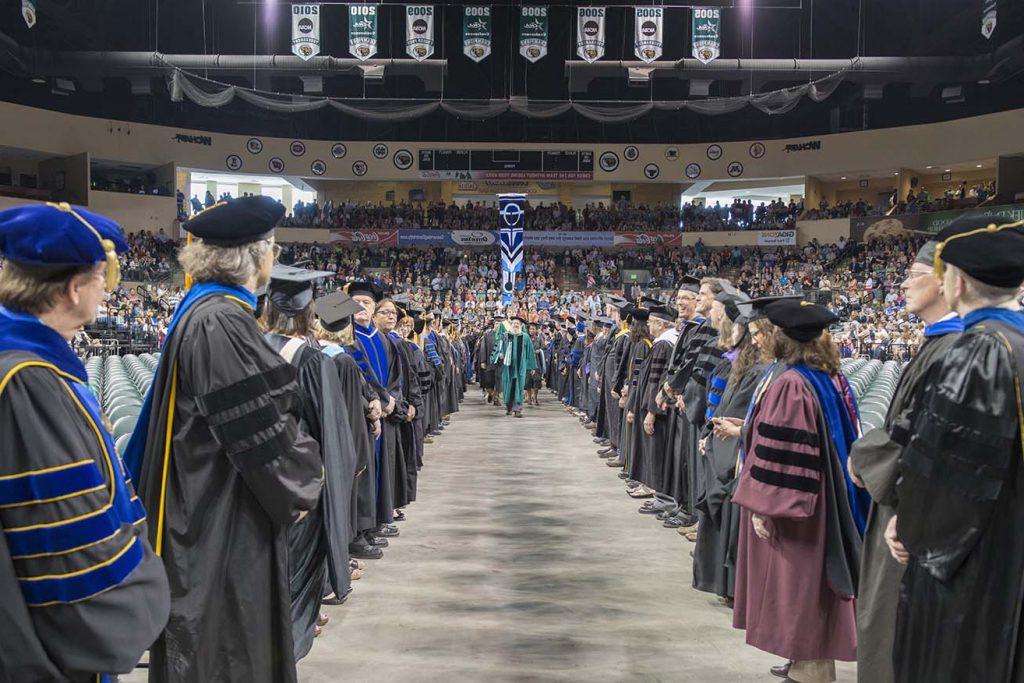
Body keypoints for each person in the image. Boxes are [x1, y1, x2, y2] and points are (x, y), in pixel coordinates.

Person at [126, 196, 324, 683]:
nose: (274, 260)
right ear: (255, 256)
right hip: (217, 514)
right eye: (273, 249)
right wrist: (300, 483)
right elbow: (256, 425)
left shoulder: (205, 311)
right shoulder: (221, 320)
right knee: (227, 647)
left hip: (206, 500)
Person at [0, 203, 170, 682]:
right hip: (53, 651)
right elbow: (60, 540)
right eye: (101, 278)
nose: (105, 291)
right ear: (75, 288)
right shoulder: (28, 381)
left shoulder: (29, 364)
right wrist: (134, 606)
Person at [889, 215, 1024, 682]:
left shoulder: (978, 353)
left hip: (973, 565)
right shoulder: (1017, 343)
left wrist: (910, 525)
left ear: (958, 283)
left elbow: (950, 472)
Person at [846, 241, 963, 683]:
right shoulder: (938, 345)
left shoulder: (955, 349)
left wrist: (861, 458)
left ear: (948, 280)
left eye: (915, 273)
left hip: (911, 512)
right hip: (899, 503)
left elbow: (923, 436)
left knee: (896, 632)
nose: (903, 282)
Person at [731, 298, 865, 683]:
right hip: (825, 503)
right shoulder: (825, 375)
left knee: (803, 608)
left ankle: (810, 674)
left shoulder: (790, 385)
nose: (760, 341)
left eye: (767, 333)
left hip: (799, 516)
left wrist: (765, 508)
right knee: (813, 610)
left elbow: (785, 462)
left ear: (783, 337)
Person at [262, 264, 359, 657]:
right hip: (300, 484)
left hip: (256, 479)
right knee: (296, 569)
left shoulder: (246, 349)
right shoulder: (313, 359)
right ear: (308, 313)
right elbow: (332, 434)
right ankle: (289, 644)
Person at [491, 314, 538, 417]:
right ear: (511, 324)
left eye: (517, 323)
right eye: (514, 323)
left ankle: (517, 409)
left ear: (521, 325)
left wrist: (532, 367)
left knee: (519, 387)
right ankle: (509, 407)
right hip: (507, 367)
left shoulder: (525, 337)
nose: (515, 325)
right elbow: (497, 348)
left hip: (520, 368)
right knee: (508, 386)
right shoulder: (504, 335)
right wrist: (500, 354)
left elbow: (530, 352)